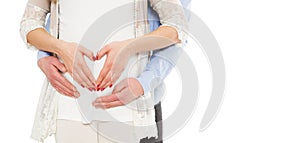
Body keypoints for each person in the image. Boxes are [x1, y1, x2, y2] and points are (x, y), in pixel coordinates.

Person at [20, 0, 187, 143]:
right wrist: (53, 51)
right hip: (69, 104)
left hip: (128, 103)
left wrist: (141, 81)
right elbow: (40, 23)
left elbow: (177, 26)